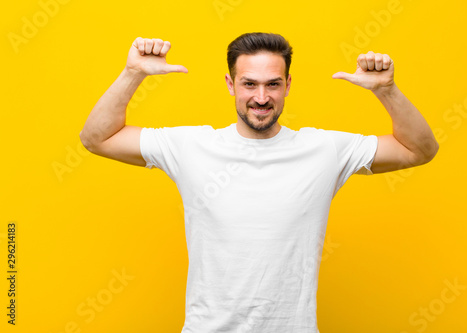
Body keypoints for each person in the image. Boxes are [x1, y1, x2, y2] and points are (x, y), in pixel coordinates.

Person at [79, 33, 439, 332]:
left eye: (273, 85)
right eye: (249, 84)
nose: (261, 98)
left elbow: (419, 149)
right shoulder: (191, 146)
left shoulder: (324, 149)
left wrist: (386, 90)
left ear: (288, 86)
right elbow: (97, 138)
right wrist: (132, 74)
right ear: (230, 84)